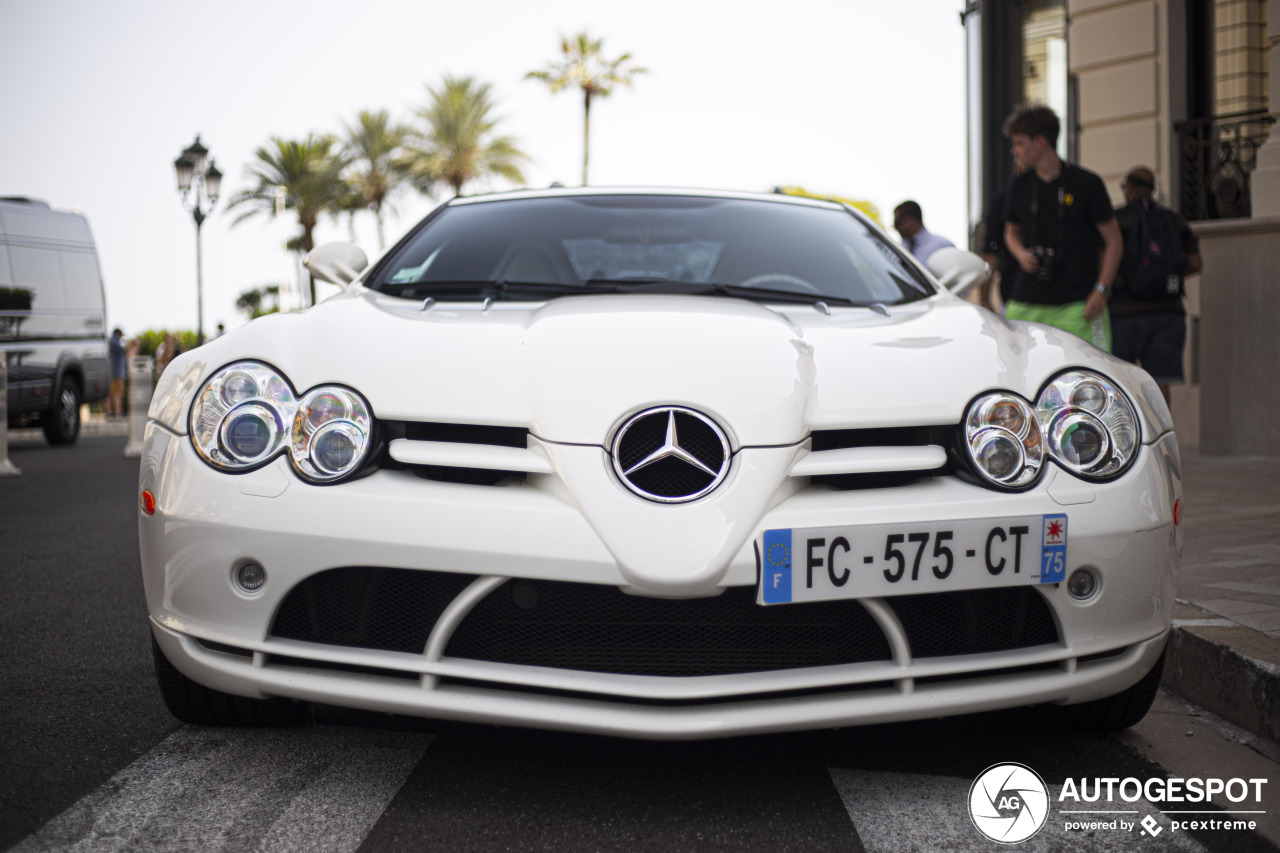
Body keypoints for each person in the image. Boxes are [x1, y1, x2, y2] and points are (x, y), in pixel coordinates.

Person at [1002, 105, 1122, 350]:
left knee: (1090, 377)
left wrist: (1101, 290)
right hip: (1026, 303)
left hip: (1078, 306)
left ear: (1040, 142)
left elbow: (1114, 242)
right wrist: (1021, 254)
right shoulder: (1019, 184)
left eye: (1019, 143)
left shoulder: (1087, 184)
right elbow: (1011, 232)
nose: (1015, 151)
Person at [1110, 166, 1202, 405]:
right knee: (1160, 383)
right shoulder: (1174, 220)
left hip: (1123, 313)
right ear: (1152, 190)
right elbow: (1195, 263)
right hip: (1168, 313)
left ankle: (1125, 440)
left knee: (1119, 383)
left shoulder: (1117, 219)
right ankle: (1161, 441)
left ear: (1129, 188)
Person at [106, 328, 126, 417]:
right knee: (117, 394)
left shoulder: (110, 342)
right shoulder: (115, 342)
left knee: (110, 395)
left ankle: (110, 412)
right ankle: (117, 413)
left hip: (111, 373)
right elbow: (124, 350)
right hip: (117, 374)